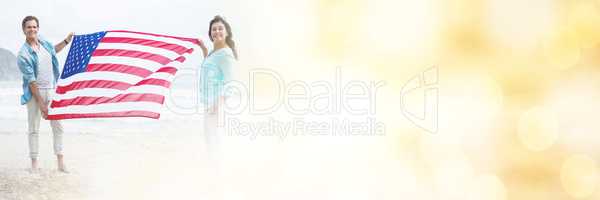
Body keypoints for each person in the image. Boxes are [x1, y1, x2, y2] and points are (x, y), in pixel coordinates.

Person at [16, 15, 73, 172]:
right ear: (23, 30)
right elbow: (32, 82)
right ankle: (34, 164)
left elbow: (54, 51)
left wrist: (67, 41)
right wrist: (41, 103)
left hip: (52, 89)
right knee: (34, 128)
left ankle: (60, 162)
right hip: (35, 93)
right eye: (29, 27)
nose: (32, 29)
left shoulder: (43, 42)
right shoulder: (23, 55)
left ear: (38, 28)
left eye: (34, 27)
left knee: (58, 126)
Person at [198, 15, 238, 161]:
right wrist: (203, 50)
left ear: (226, 32)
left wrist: (217, 104)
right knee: (210, 140)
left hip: (218, 106)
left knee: (216, 141)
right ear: (210, 34)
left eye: (220, 28)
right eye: (214, 29)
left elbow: (231, 83)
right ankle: (214, 172)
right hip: (210, 104)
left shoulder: (225, 55)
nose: (217, 31)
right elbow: (209, 68)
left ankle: (219, 174)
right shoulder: (213, 53)